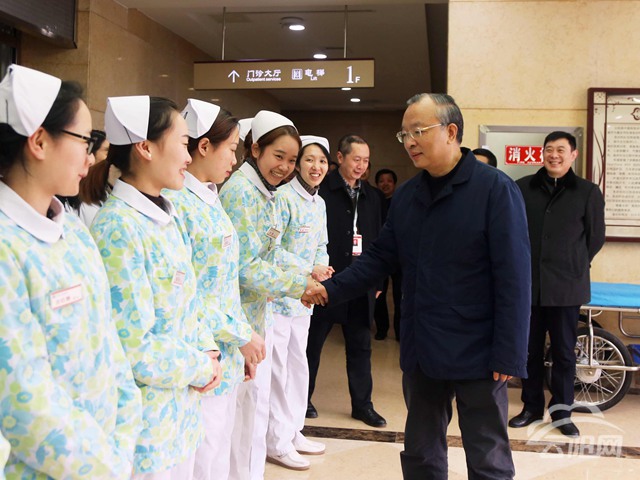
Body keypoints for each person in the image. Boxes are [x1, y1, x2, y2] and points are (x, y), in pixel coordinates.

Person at [303, 93, 531, 480]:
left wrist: (509, 354)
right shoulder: (408, 195)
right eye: (404, 134)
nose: (409, 141)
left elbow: (515, 279)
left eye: (418, 131)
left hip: (479, 349)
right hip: (422, 345)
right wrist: (330, 289)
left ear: (451, 132)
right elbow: (380, 257)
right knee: (421, 452)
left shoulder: (495, 190)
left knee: (487, 455)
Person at [0, 64, 142, 478]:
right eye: (85, 140)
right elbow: (24, 401)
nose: (92, 156)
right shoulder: (6, 247)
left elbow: (110, 343)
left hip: (109, 457)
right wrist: (105, 466)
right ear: (39, 141)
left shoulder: (74, 231)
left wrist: (122, 443)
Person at [90, 95, 222, 479]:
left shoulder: (167, 213)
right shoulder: (118, 227)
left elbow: (188, 296)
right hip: (147, 426)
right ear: (145, 148)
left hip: (181, 412)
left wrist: (207, 347)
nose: (188, 157)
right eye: (183, 143)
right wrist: (200, 365)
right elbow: (133, 346)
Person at [163, 99, 266, 480]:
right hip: (201, 357)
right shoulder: (178, 204)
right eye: (232, 148)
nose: (235, 160)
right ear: (203, 146)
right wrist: (241, 335)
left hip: (226, 354)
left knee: (218, 452)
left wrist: (241, 342)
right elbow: (189, 294)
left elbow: (223, 283)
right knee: (204, 461)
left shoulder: (209, 197)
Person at [219, 110, 319, 480]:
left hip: (256, 317)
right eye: (279, 156)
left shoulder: (265, 191)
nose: (286, 167)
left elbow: (271, 252)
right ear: (256, 149)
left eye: (292, 160)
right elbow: (245, 266)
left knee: (252, 411)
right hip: (237, 323)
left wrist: (306, 274)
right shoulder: (242, 193)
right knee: (241, 417)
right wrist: (300, 285)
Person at [509, 131, 606, 437]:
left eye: (561, 150)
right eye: (549, 149)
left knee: (564, 353)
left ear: (573, 154)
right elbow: (512, 232)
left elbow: (595, 238)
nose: (554, 155)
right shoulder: (522, 187)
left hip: (566, 287)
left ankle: (562, 413)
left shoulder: (587, 192)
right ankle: (530, 407)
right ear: (543, 153)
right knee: (529, 351)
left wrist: (571, 263)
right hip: (529, 286)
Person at [306, 134, 387, 428]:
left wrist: (378, 281)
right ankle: (302, 399)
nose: (361, 166)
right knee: (312, 345)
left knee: (361, 346)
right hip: (327, 281)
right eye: (356, 159)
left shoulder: (373, 196)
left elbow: (379, 242)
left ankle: (363, 406)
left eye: (366, 161)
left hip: (360, 282)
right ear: (340, 158)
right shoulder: (322, 191)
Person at [265, 136, 333, 471]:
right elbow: (272, 250)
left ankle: (293, 431)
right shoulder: (282, 198)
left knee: (297, 365)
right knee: (278, 371)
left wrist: (321, 267)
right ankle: (276, 441)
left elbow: (322, 244)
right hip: (280, 298)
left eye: (322, 161)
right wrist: (308, 269)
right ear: (297, 164)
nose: (316, 167)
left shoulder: (319, 203)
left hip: (304, 300)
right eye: (309, 159)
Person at [373, 168, 402, 341]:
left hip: (398, 256)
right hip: (380, 255)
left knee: (400, 295)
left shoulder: (400, 201)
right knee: (379, 293)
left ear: (394, 184)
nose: (385, 184)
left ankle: (399, 331)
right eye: (381, 181)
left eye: (389, 181)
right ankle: (381, 328)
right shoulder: (373, 202)